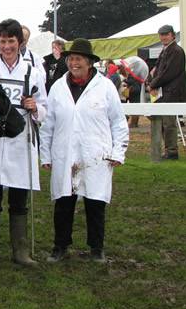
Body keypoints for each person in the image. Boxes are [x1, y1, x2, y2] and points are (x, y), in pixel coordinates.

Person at [40, 38, 129, 263]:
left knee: (95, 202)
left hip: (96, 154)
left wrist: (118, 152)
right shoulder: (58, 88)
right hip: (65, 152)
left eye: (78, 59)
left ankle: (96, 248)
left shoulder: (105, 87)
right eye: (70, 59)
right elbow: (48, 124)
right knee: (63, 202)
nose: (73, 63)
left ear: (89, 62)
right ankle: (60, 246)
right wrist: (46, 155)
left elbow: (118, 122)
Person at [0, 18, 47, 267]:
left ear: (20, 42)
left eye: (11, 41)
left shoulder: (33, 72)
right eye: (2, 41)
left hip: (19, 140)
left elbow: (45, 108)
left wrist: (36, 108)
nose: (6, 46)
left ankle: (20, 251)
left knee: (18, 196)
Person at [146, 25, 186, 160]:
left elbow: (168, 73)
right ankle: (168, 150)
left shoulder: (176, 51)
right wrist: (150, 82)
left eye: (166, 34)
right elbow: (157, 70)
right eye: (161, 35)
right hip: (164, 91)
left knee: (169, 123)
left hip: (172, 92)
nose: (163, 37)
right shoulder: (166, 50)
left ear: (172, 35)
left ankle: (172, 151)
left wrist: (153, 84)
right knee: (161, 121)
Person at [118, 56, 149, 128]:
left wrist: (125, 81)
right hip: (136, 91)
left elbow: (131, 82)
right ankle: (133, 123)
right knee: (134, 107)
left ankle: (133, 123)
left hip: (134, 91)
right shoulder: (137, 73)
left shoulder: (134, 73)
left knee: (134, 108)